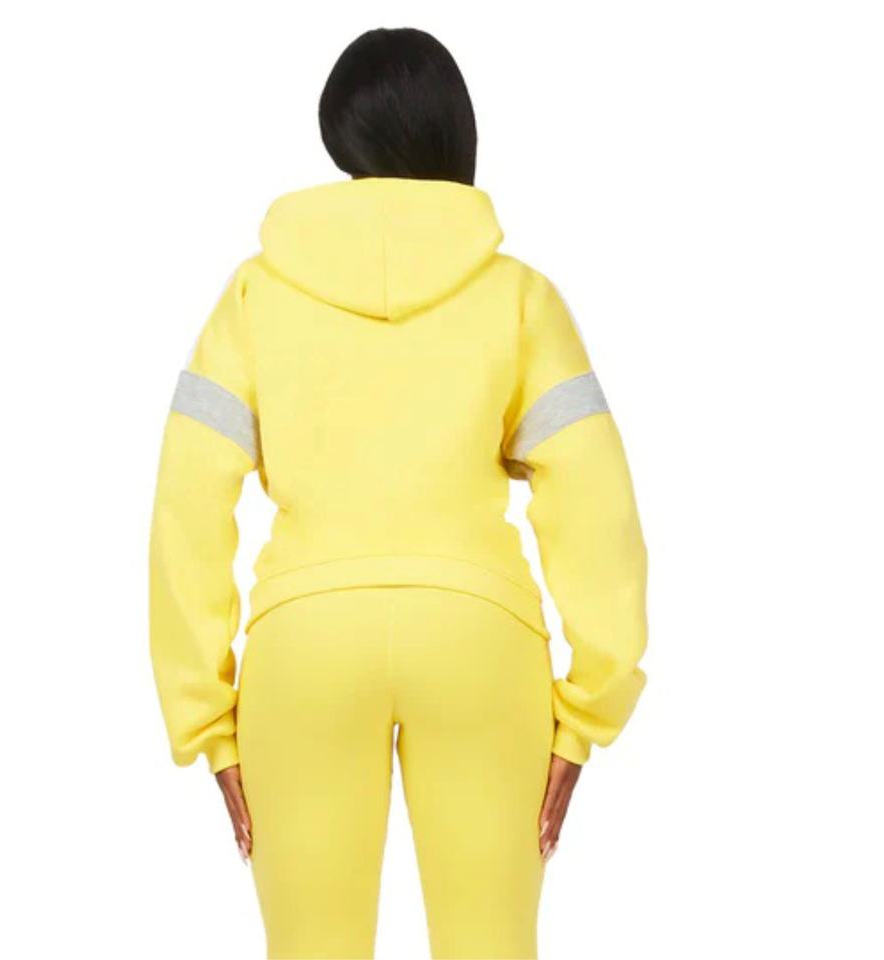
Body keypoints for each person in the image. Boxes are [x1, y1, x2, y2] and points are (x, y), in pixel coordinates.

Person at [149, 26, 648, 960]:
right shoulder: (519, 296)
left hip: (307, 642)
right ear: (456, 131)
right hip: (479, 638)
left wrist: (206, 722)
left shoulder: (255, 294)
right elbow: (595, 498)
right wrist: (590, 707)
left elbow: (187, 497)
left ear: (340, 131)